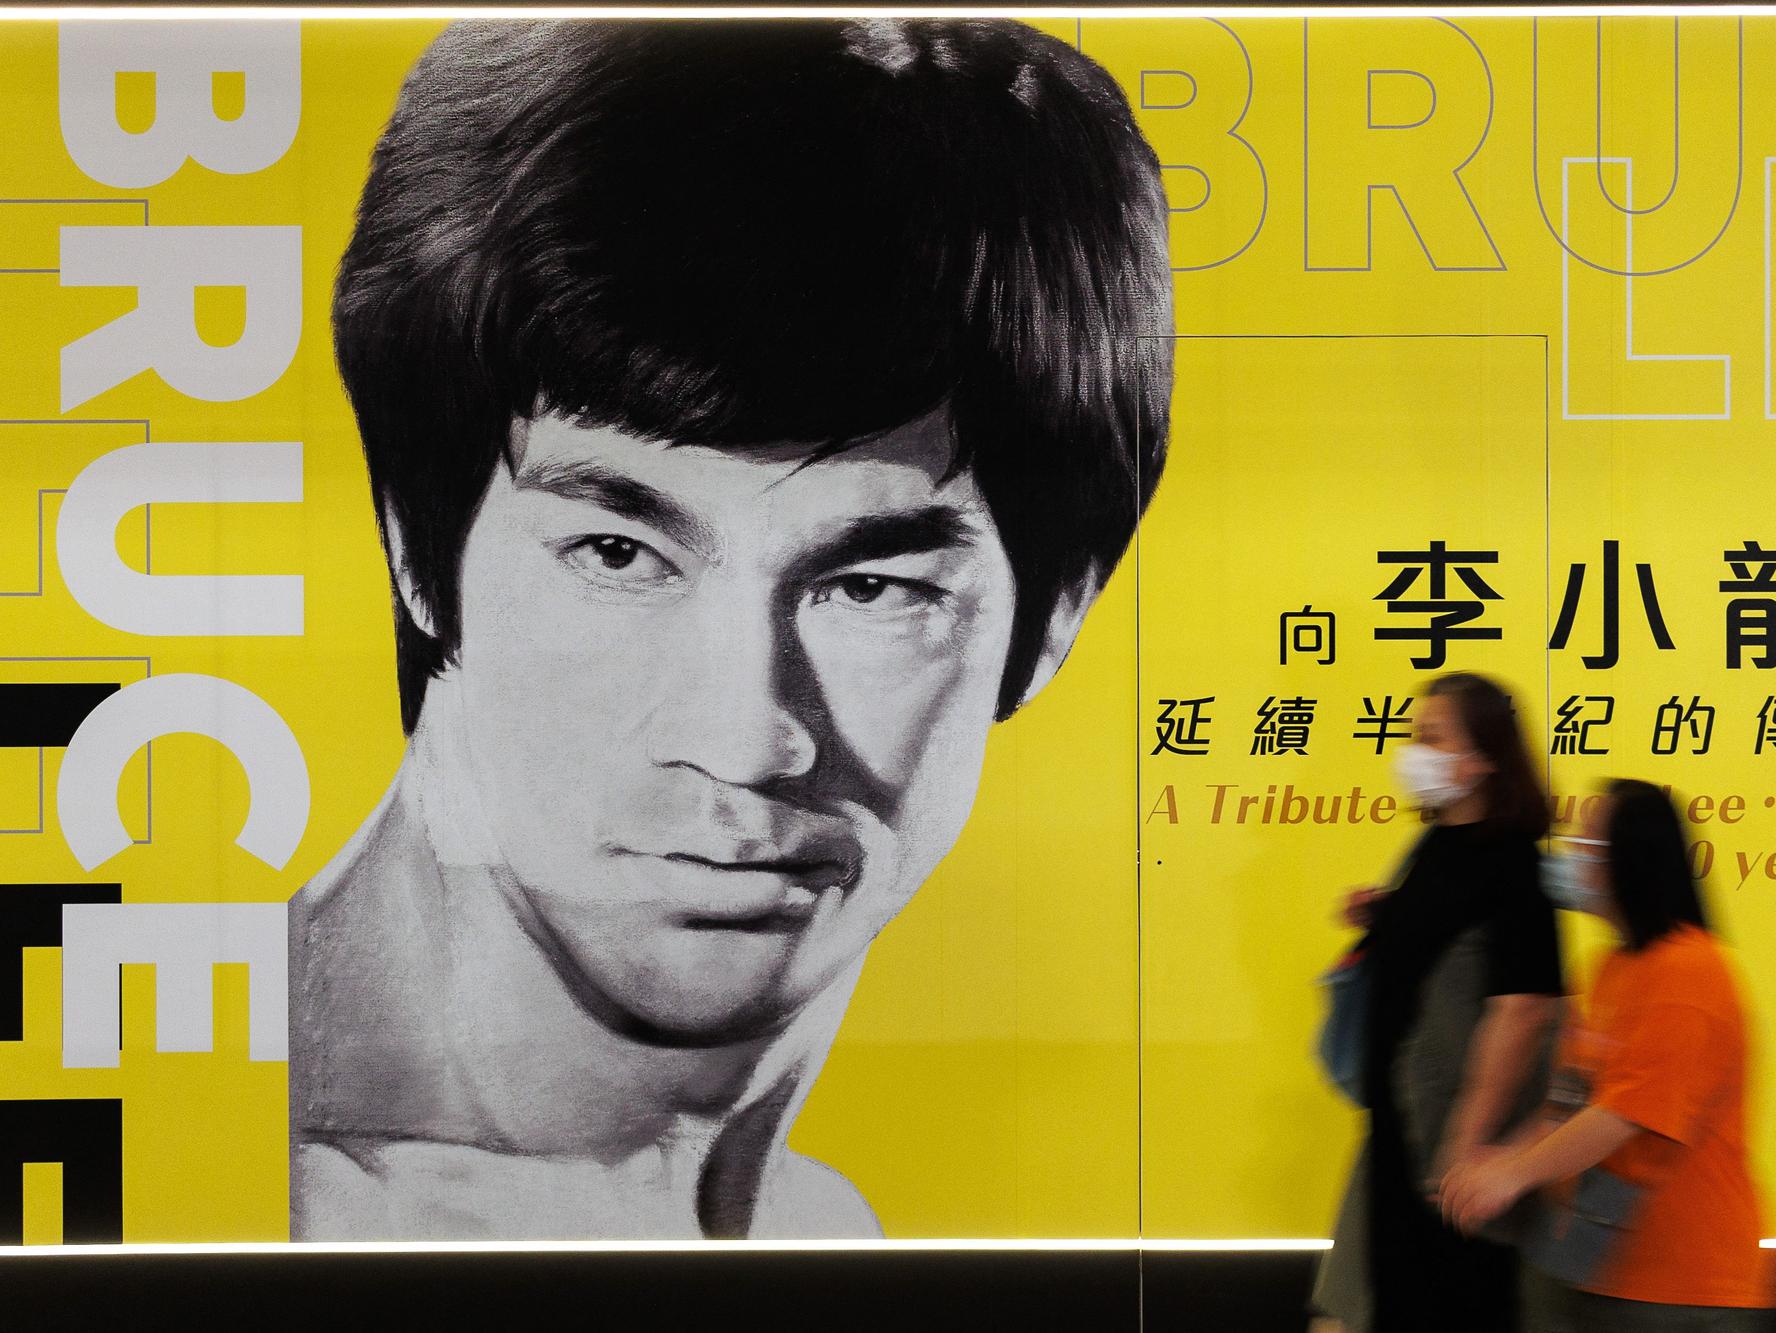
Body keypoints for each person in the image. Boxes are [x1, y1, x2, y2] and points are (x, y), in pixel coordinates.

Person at [286, 19, 1172, 1240]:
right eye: (616, 555)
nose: (743, 739)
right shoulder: (297, 1196)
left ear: (1055, 610)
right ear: (413, 547)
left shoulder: (805, 1221)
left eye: (868, 588)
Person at [1439, 781, 1776, 1331]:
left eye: (1588, 846)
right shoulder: (1609, 968)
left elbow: (1624, 1115)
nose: (1572, 857)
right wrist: (1498, 1157)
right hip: (1593, 1265)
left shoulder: (1691, 971)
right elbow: (1569, 1101)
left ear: (1632, 861)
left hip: (1685, 1287)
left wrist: (1514, 1174)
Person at [1311, 673, 1564, 1333]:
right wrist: (1384, 916)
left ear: (1481, 759)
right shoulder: (1435, 847)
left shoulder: (1512, 867)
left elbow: (1525, 1008)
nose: (1412, 752)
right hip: (1402, 1133)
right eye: (1412, 735)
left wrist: (1467, 1144)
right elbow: (1446, 943)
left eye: (1430, 737)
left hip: (1449, 1157)